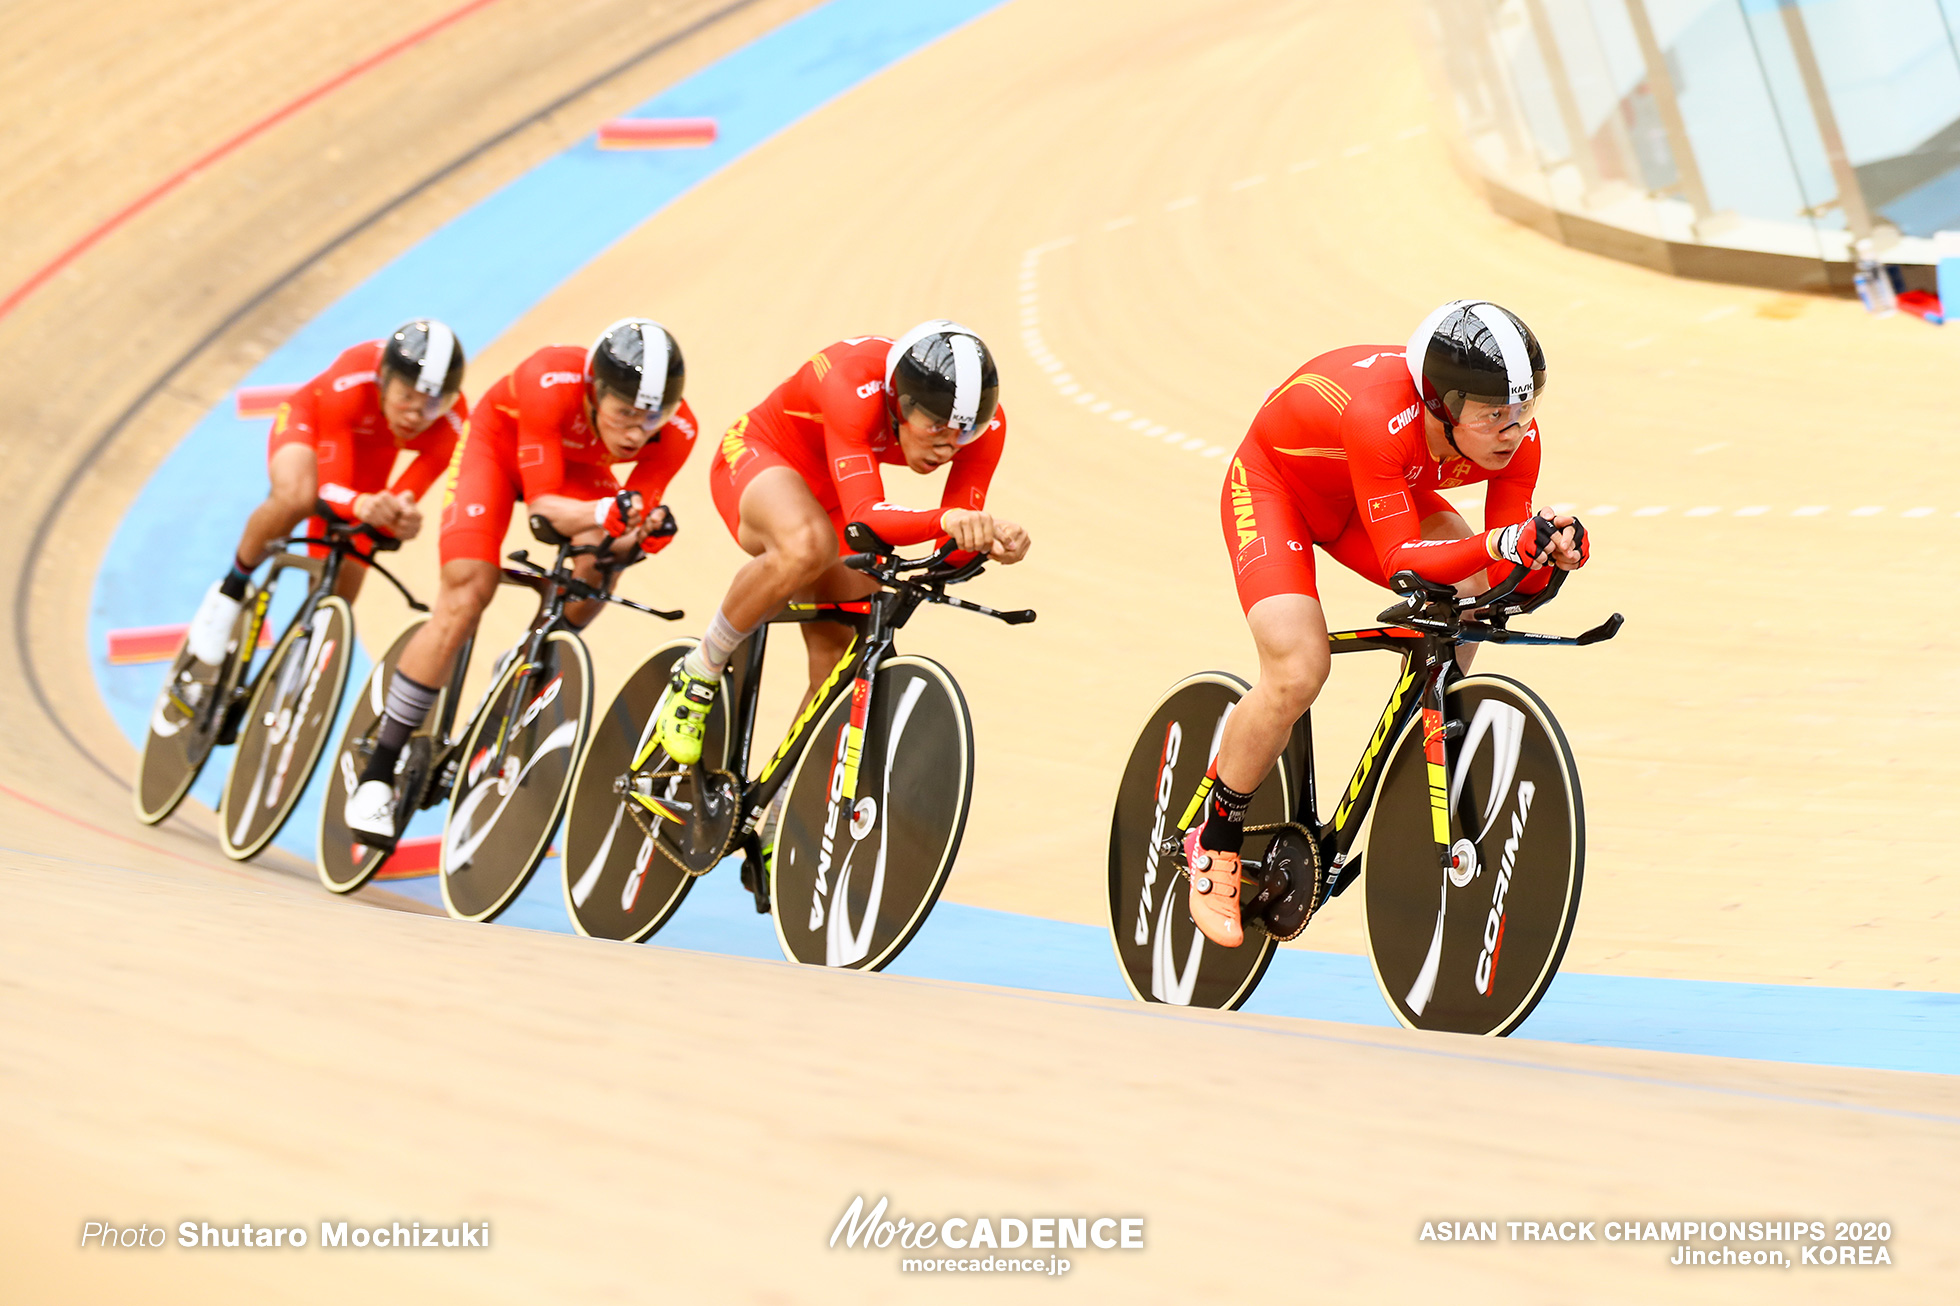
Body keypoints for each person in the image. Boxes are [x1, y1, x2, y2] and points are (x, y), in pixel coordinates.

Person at [1186, 300, 1590, 947]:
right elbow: (1404, 559)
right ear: (1442, 403)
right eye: (1493, 414)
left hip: (1365, 498)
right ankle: (1216, 837)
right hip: (1277, 491)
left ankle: (1416, 749)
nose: (1512, 430)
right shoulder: (1381, 414)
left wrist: (1548, 554)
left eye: (1523, 408)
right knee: (1298, 669)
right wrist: (1505, 543)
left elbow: (1504, 577)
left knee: (1470, 605)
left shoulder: (1517, 440)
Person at [342, 318, 699, 843]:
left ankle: (520, 665)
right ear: (594, 392)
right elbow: (545, 511)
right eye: (625, 413)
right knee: (468, 592)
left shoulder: (678, 430)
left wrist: (641, 537)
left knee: (598, 572)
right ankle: (378, 774)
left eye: (653, 418)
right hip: (501, 452)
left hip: (577, 470)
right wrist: (610, 514)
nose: (636, 434)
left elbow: (622, 527)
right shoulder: (547, 383)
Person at [648, 320, 1031, 765]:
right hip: (762, 455)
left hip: (835, 495)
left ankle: (778, 811)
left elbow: (955, 542)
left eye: (963, 434)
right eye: (936, 428)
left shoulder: (985, 427)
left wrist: (989, 539)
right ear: (900, 402)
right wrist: (950, 520)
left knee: (842, 664)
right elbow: (866, 517)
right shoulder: (854, 383)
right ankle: (697, 674)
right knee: (806, 546)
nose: (949, 446)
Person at [181, 320, 467, 666]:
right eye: (406, 396)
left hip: (371, 455)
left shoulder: (452, 424)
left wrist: (399, 519)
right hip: (315, 427)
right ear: (384, 379)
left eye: (431, 405)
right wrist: (361, 503)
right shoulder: (353, 377)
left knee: (353, 558)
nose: (415, 415)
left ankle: (301, 664)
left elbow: (400, 501)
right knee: (297, 497)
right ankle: (230, 590)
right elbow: (329, 489)